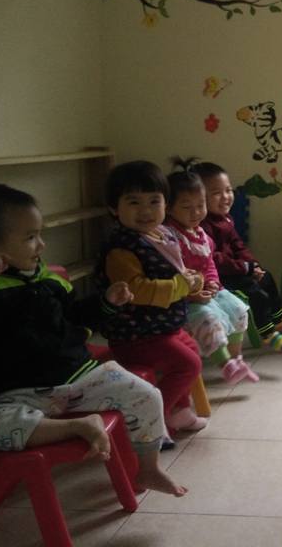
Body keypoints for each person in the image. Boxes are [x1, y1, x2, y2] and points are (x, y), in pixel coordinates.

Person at [0, 183, 185, 495]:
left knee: (148, 395)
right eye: (31, 237)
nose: (41, 245)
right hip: (17, 392)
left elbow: (75, 316)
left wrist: (106, 303)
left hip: (80, 376)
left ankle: (148, 469)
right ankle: (77, 426)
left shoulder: (47, 279)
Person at [97, 161, 207, 438]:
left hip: (162, 327)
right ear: (114, 208)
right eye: (134, 202)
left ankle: (178, 412)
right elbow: (138, 289)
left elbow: (176, 270)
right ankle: (150, 421)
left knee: (192, 350)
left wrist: (192, 279)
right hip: (136, 335)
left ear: (165, 204)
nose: (145, 211)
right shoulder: (121, 249)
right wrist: (180, 285)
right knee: (188, 364)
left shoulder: (161, 234)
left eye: (154, 201)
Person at [165, 165, 264, 383]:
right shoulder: (169, 238)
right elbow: (170, 272)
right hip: (184, 298)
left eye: (200, 206)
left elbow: (209, 262)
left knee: (239, 309)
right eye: (187, 207)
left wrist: (212, 282)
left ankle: (237, 359)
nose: (196, 213)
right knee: (208, 319)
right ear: (169, 209)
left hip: (210, 289)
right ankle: (225, 363)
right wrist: (192, 293)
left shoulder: (200, 233)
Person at [191, 160, 282, 340]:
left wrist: (253, 265)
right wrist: (245, 268)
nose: (226, 197)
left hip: (237, 269)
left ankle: (279, 318)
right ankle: (267, 332)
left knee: (266, 277)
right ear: (200, 198)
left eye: (228, 190)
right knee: (255, 292)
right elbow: (215, 259)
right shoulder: (202, 226)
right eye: (216, 193)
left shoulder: (226, 219)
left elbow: (238, 244)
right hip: (219, 276)